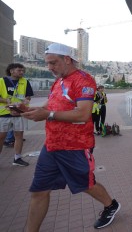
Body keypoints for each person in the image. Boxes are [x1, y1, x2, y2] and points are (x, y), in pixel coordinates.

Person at [22, 43, 120, 230]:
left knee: (85, 184)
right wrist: (31, 110)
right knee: (39, 191)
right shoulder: (58, 81)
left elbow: (83, 114)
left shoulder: (83, 80)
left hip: (75, 146)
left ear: (67, 59)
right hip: (51, 146)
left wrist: (48, 115)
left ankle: (111, 205)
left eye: (53, 63)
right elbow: (50, 105)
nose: (49, 67)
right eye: (48, 63)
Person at [0, 63, 33, 166]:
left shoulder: (25, 82)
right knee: (1, 137)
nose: (22, 72)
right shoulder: (1, 81)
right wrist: (7, 101)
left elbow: (28, 96)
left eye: (23, 71)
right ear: (11, 71)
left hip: (19, 113)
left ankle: (17, 158)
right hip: (4, 113)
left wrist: (24, 103)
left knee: (19, 135)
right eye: (19, 70)